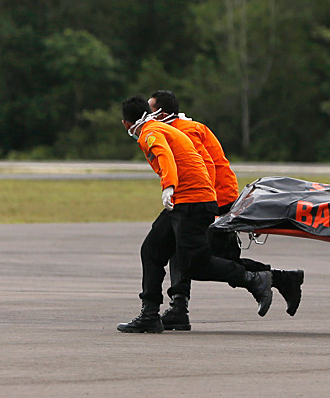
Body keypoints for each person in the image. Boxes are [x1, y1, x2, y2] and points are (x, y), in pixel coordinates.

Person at [147, 90, 304, 331]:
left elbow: (205, 167)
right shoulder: (182, 127)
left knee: (206, 260)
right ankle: (179, 307)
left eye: (150, 112)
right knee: (181, 249)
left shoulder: (184, 130)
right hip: (207, 198)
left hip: (212, 200)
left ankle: (281, 278)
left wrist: (201, 203)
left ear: (163, 114)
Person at [117, 95, 273, 333]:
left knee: (195, 264)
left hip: (192, 202)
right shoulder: (159, 126)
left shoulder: (150, 133)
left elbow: (164, 155)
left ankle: (254, 279)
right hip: (187, 200)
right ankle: (149, 314)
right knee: (152, 250)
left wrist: (168, 185)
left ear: (125, 123)